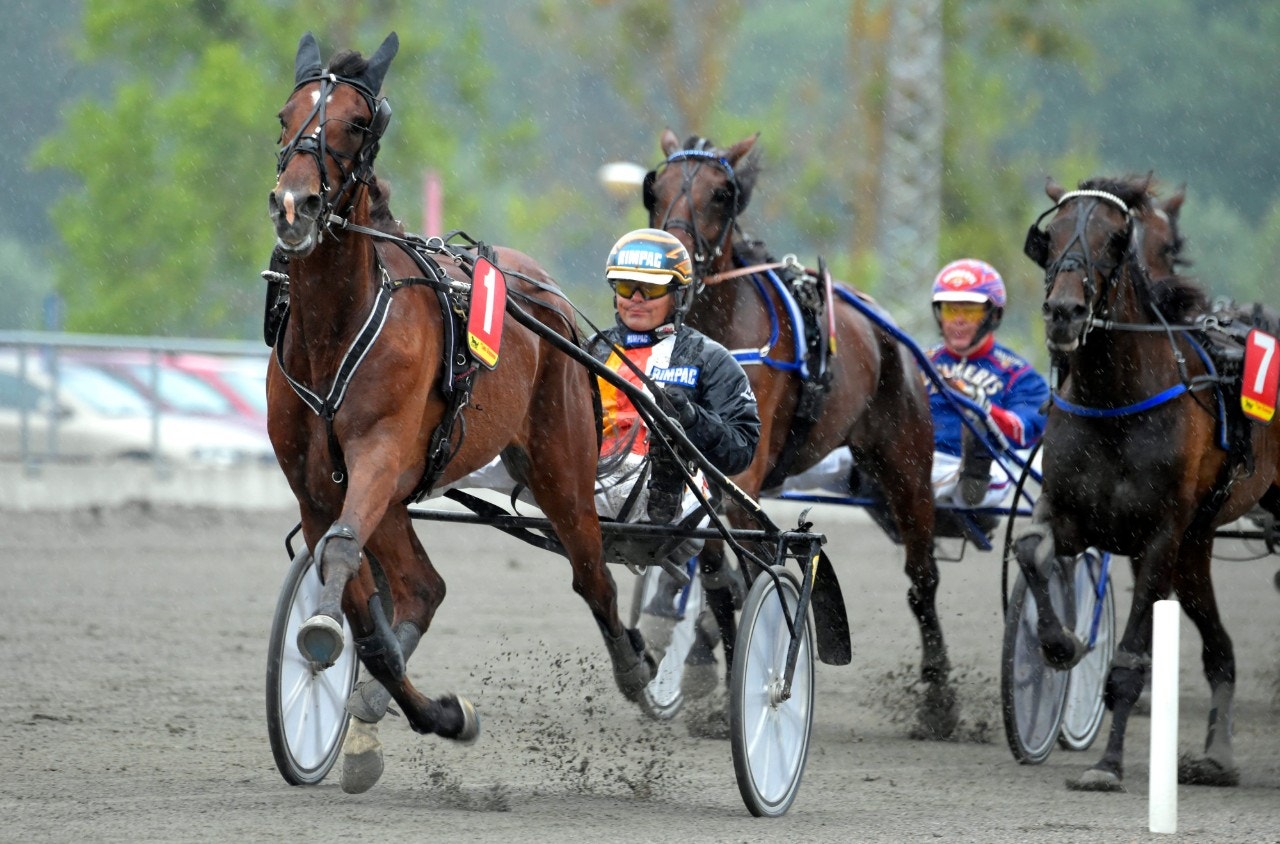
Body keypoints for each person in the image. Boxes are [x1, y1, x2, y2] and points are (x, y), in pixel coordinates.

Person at [927, 258, 1048, 507]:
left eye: (970, 310)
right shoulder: (917, 362)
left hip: (985, 467)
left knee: (984, 477)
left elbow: (1026, 432)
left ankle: (972, 473)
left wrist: (982, 408)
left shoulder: (1019, 375)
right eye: (951, 309)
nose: (958, 319)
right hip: (913, 458)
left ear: (994, 315)